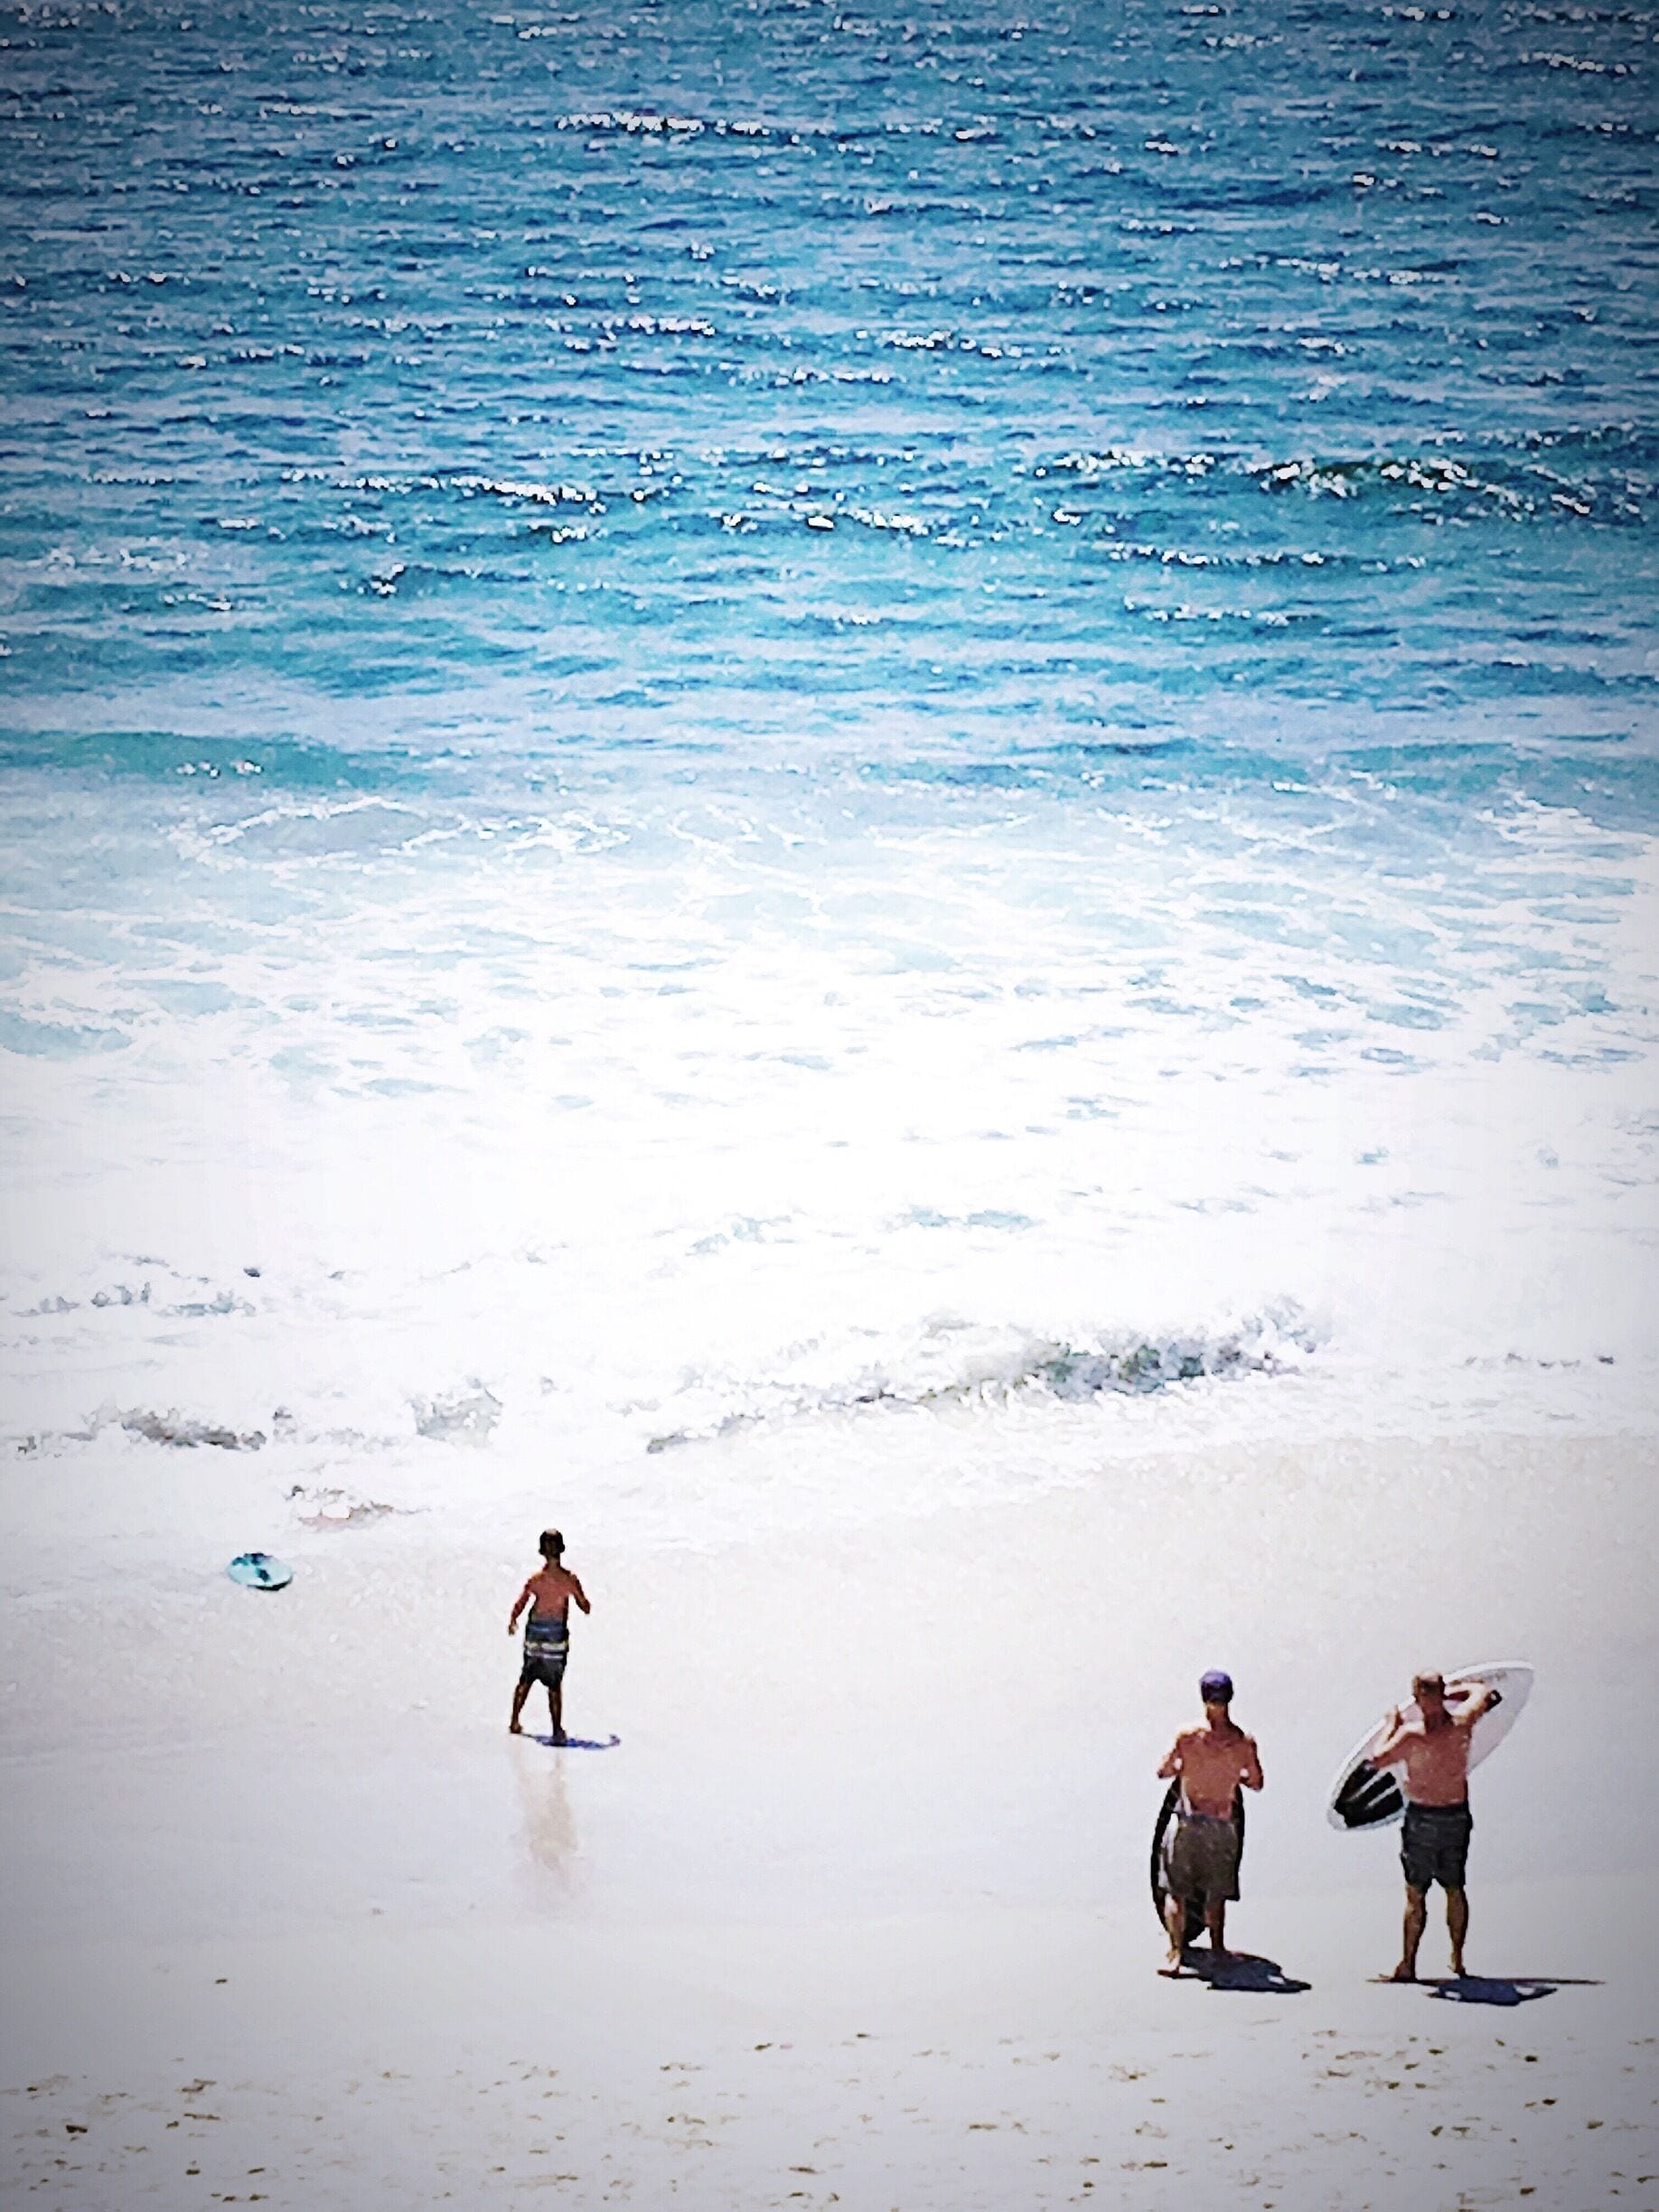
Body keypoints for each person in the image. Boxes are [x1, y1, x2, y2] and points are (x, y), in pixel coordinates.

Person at [1369, 1667, 1496, 1981]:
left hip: (1423, 1818)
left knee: (1416, 1893)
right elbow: (1481, 1692)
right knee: (1455, 1888)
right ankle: (1457, 1958)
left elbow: (1378, 1758)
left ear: (1416, 1699)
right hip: (1456, 1814)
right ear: (1440, 1696)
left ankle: (1408, 1965)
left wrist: (1390, 1724)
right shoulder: (1464, 1721)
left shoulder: (1411, 1735)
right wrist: (1454, 1691)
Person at [1157, 1670, 1264, 1973]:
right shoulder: (1243, 1742)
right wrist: (1231, 1775)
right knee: (1215, 1894)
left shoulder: (1188, 1738)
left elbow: (1164, 1770)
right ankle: (1217, 1950)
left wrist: (1188, 1769)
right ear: (1230, 1698)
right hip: (1222, 1822)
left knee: (1176, 1890)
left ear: (1203, 1697)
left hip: (1188, 1820)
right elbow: (1256, 1783)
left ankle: (1176, 1955)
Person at [508, 1529, 590, 1744]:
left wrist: (513, 1620)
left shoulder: (536, 1579)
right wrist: (580, 1600)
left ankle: (515, 1721)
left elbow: (521, 1603)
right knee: (554, 1684)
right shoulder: (569, 1579)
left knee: (526, 1678)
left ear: (541, 1552)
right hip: (555, 1634)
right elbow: (585, 1606)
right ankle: (556, 1729)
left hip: (535, 1631)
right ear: (561, 1550)